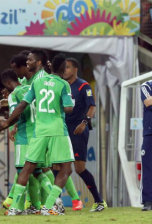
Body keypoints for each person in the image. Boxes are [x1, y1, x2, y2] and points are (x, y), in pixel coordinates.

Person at [0, 54, 74, 216]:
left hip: (39, 131)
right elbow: (68, 108)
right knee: (66, 169)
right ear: (63, 68)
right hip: (57, 130)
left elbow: (22, 105)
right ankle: (48, 206)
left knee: (27, 168)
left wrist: (8, 122)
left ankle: (15, 208)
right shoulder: (63, 85)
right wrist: (69, 101)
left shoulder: (37, 82)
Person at [63, 57, 107, 212]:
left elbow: (92, 107)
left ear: (75, 69)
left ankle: (99, 201)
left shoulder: (83, 86)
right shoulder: (62, 86)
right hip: (63, 130)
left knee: (79, 168)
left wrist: (84, 122)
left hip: (78, 130)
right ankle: (55, 202)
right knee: (57, 165)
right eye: (63, 67)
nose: (65, 70)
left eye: (67, 67)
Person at [140, 80, 152, 211]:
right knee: (148, 166)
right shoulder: (147, 85)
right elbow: (148, 102)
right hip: (150, 132)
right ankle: (148, 201)